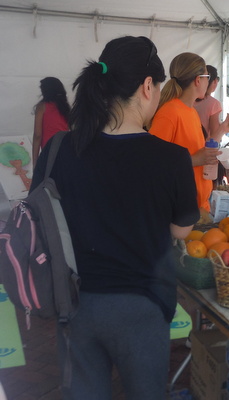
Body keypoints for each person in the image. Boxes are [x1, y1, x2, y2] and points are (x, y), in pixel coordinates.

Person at [29, 36, 200, 399]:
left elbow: (39, 218)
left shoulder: (59, 149)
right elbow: (182, 230)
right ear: (147, 86)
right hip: (141, 308)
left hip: (74, 305)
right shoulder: (170, 158)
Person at [150, 54, 229, 212]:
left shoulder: (190, 111)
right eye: (207, 77)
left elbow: (202, 149)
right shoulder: (169, 113)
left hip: (198, 206)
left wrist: (224, 128)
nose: (208, 81)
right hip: (178, 211)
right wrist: (194, 160)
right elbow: (153, 164)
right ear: (198, 80)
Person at [32, 77, 70, 167]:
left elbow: (38, 135)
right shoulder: (65, 107)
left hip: (49, 150)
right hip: (65, 148)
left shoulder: (42, 107)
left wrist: (35, 162)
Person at [193, 65, 229, 142]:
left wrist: (224, 126)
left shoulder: (188, 100)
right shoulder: (213, 103)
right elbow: (214, 135)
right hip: (203, 148)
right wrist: (223, 128)